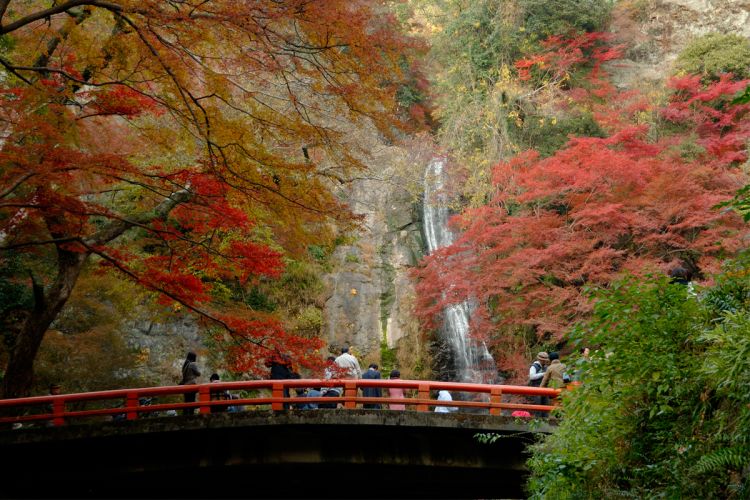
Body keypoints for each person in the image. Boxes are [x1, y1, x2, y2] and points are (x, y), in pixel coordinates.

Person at [179, 351, 200, 416]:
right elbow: (198, 373)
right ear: (193, 357)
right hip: (191, 385)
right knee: (192, 401)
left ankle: (185, 415)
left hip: (185, 385)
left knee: (186, 401)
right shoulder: (192, 364)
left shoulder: (185, 365)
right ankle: (191, 415)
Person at [528, 351, 549, 417]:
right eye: (543, 360)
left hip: (545, 389)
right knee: (538, 405)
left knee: (545, 405)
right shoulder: (534, 367)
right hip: (536, 388)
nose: (545, 362)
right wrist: (543, 374)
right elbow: (532, 376)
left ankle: (545, 421)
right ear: (540, 360)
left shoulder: (545, 367)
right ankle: (538, 421)